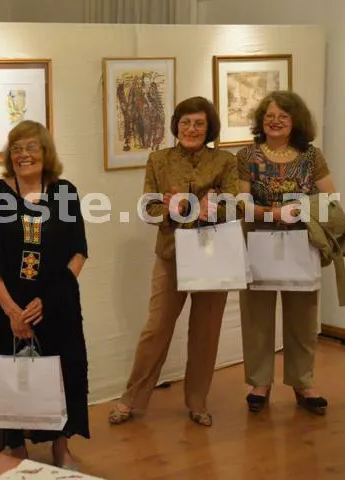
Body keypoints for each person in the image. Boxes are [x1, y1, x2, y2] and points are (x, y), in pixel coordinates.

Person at [108, 96, 240, 427]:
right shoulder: (159, 160)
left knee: (205, 333)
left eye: (199, 123)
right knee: (156, 329)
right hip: (171, 255)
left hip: (212, 255)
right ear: (176, 126)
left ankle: (197, 402)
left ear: (209, 128)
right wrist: (174, 207)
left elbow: (234, 205)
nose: (191, 129)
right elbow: (149, 209)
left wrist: (210, 206)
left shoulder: (225, 161)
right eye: (185, 123)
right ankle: (131, 400)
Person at [0, 120, 89, 469]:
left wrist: (50, 300)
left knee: (61, 370)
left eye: (31, 147)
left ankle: (60, 446)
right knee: (11, 374)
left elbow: (79, 252)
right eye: (16, 148)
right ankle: (15, 446)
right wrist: (11, 310)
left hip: (56, 304)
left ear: (45, 152)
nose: (23, 155)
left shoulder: (65, 193)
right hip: (5, 306)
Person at [237, 90, 335, 415]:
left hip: (302, 243)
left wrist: (300, 211)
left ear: (296, 121)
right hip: (257, 240)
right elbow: (241, 203)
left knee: (303, 319)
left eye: (283, 116)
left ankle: (303, 383)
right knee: (256, 318)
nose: (275, 121)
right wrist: (274, 214)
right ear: (261, 121)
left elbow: (330, 200)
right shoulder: (247, 155)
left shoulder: (312, 156)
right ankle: (259, 383)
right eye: (269, 116)